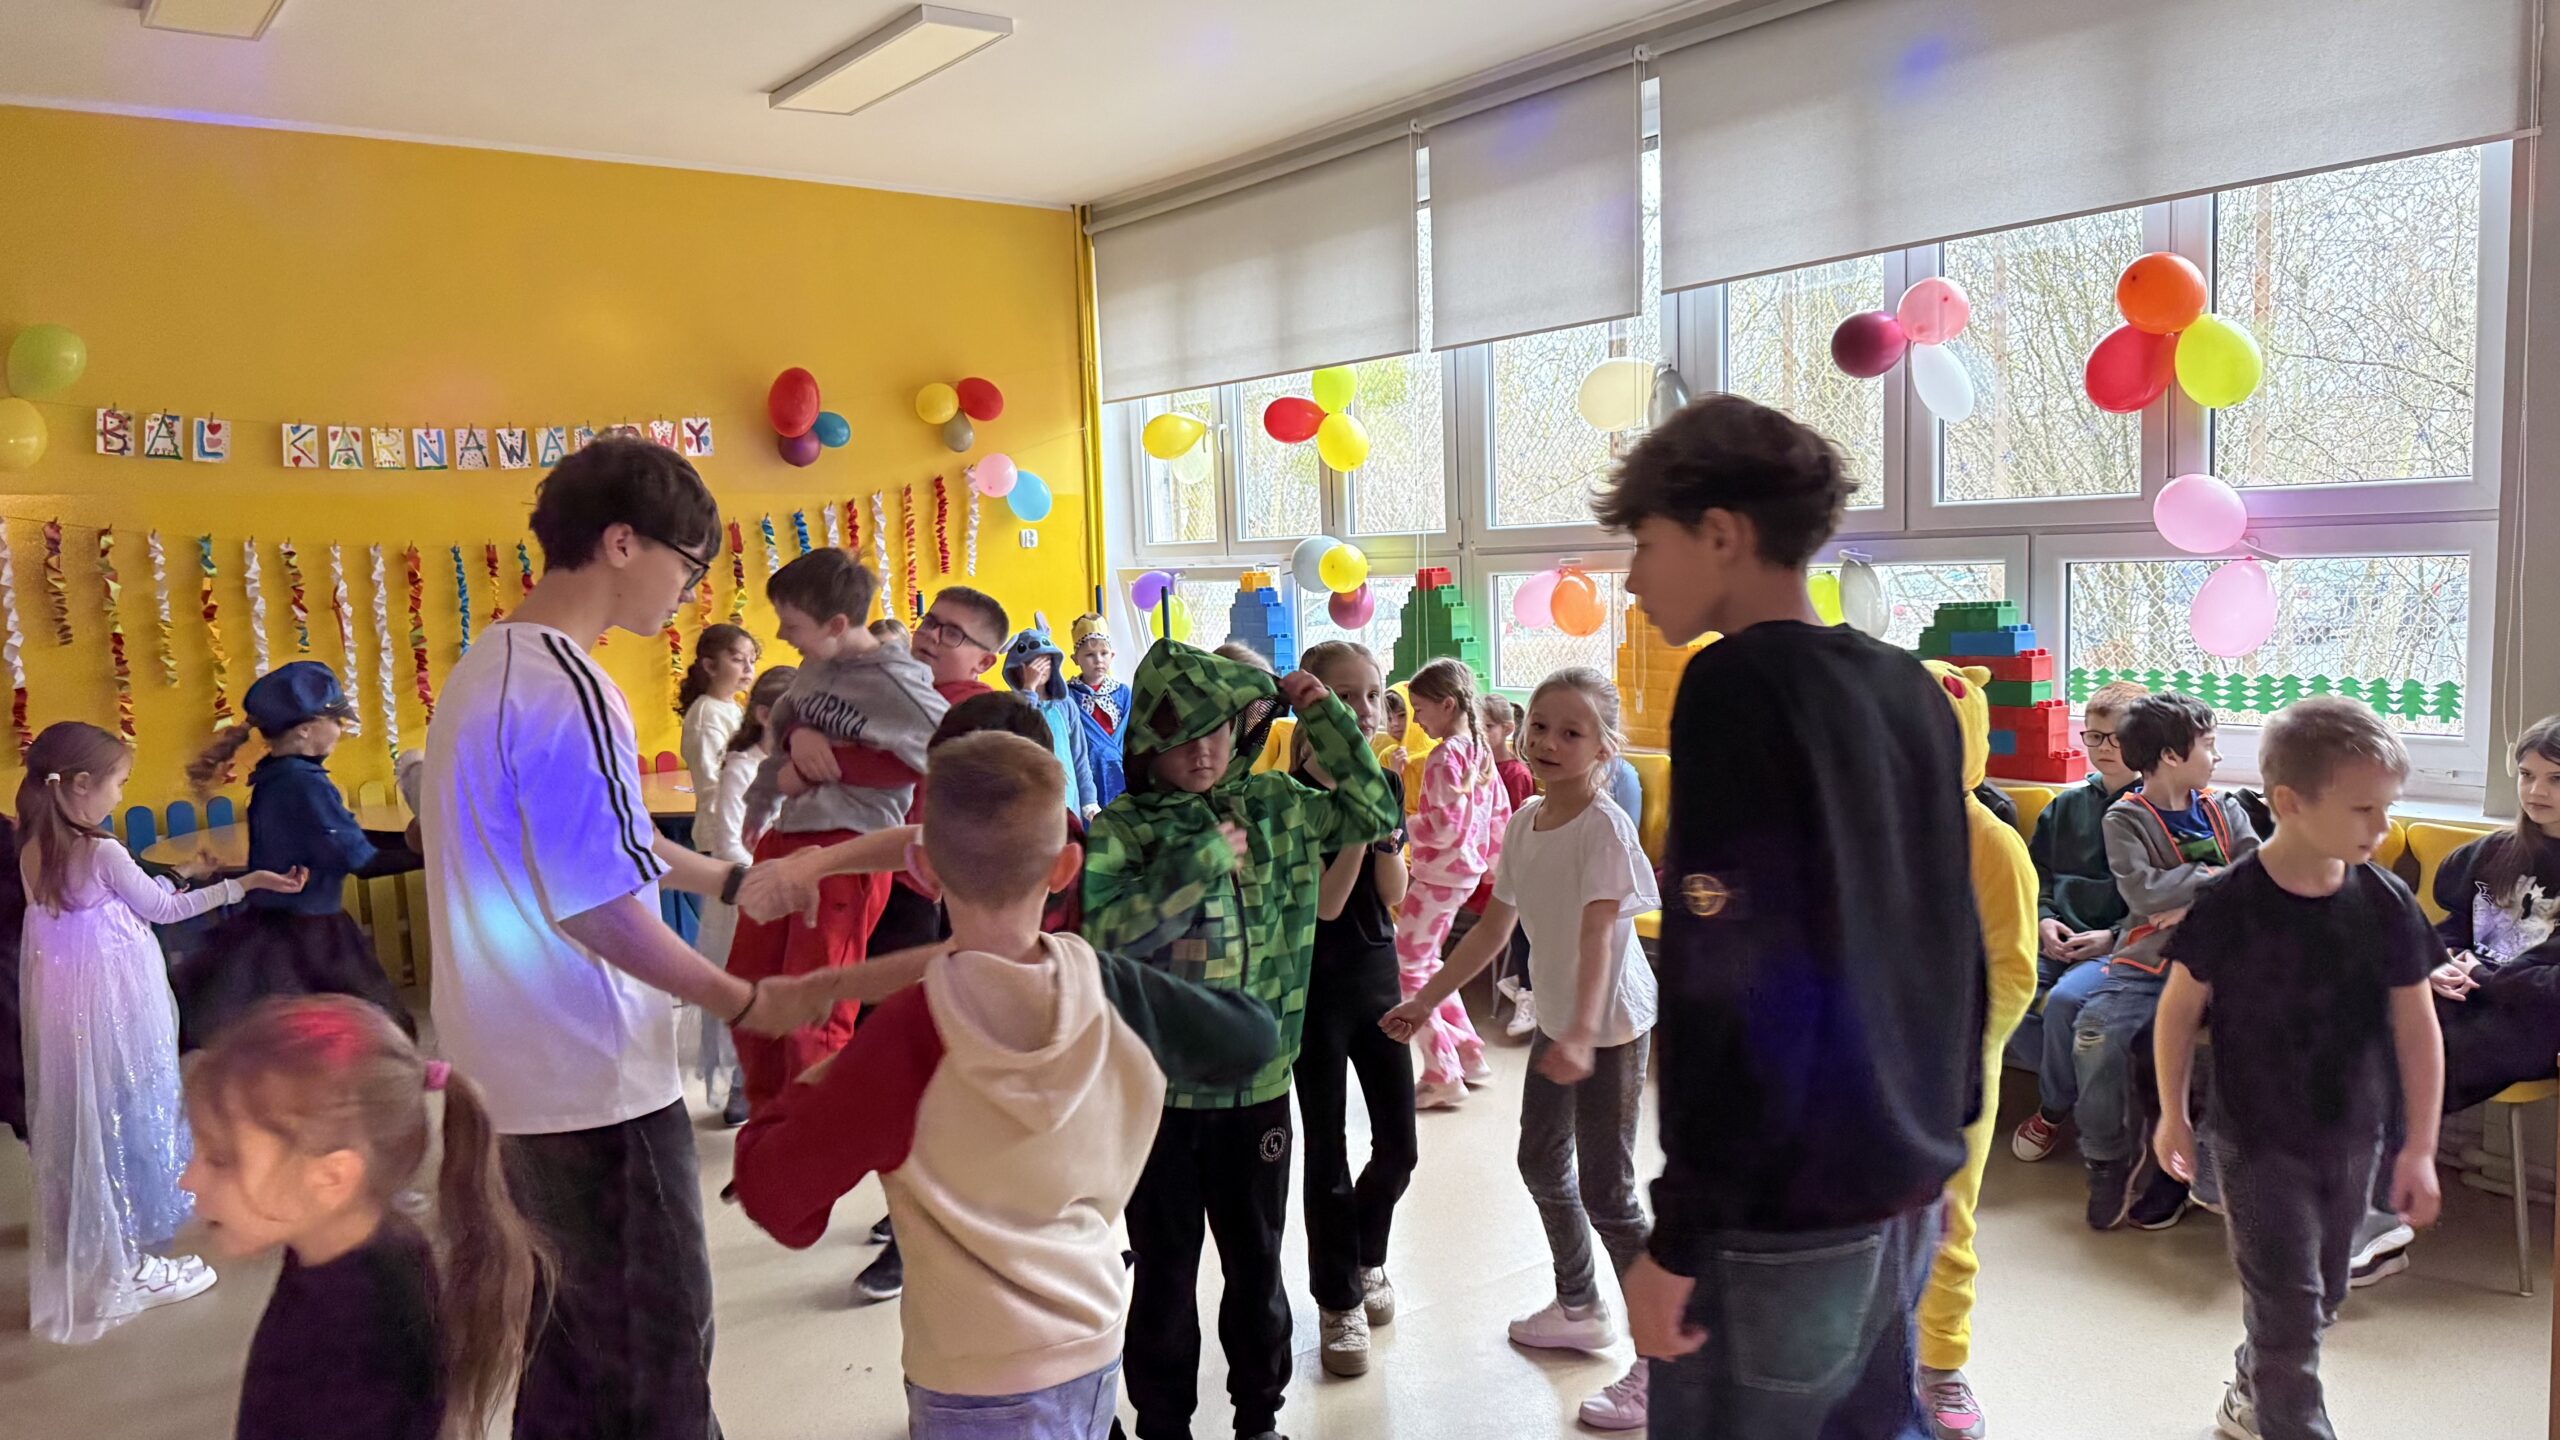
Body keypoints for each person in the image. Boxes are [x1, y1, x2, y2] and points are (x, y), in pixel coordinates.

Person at [1594, 394, 1984, 1439]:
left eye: (1646, 544)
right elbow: (1952, 941)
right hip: (1902, 1182)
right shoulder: (1909, 687)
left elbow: (1731, 979)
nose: (1633, 580)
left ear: (1721, 534)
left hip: (1781, 1204)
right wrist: (1941, 1139)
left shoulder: (1733, 686)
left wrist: (1679, 1233)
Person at [420, 438, 814, 1440]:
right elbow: (593, 904)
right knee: (655, 1361)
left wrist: (732, 879)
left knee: (569, 1358)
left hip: (509, 1071)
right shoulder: (570, 683)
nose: (689, 591)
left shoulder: (490, 666)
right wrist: (742, 999)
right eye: (688, 564)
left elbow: (616, 842)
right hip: (588, 1080)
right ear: (622, 542)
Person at [735, 732, 1280, 1440]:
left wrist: (806, 1085)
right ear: (1064, 868)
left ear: (923, 871)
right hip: (1092, 1337)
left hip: (973, 1374)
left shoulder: (908, 1034)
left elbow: (776, 1194)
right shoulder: (1112, 987)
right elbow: (1251, 1038)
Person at [1082, 640, 1399, 1440]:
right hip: (1158, 1096)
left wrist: (1321, 710)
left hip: (1256, 1092)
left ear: (1245, 728)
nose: (1203, 750)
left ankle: (1259, 1418)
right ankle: (1163, 1425)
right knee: (1165, 1272)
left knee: (1257, 1267)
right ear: (1148, 740)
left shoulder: (1278, 805)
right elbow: (1100, 937)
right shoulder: (1123, 827)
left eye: (1218, 729)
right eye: (1183, 734)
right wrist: (1193, 864)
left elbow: (1374, 809)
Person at [2151, 698, 2443, 1440]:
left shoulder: (2384, 901)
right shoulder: (2230, 902)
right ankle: (2289, 1417)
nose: (2383, 829)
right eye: (2364, 810)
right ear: (2290, 803)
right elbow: (2178, 1011)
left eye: (2387, 808)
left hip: (2352, 1135)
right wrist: (2173, 1113)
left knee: (2323, 1294)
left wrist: (2420, 1147)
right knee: (2289, 1309)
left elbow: (2418, 1027)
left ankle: (2252, 1386)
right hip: (2255, 1141)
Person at [1386, 666, 1661, 1431]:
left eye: (1572, 732)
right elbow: (1494, 931)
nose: (1548, 742)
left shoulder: (1604, 828)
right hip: (1561, 1018)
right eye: (1540, 725)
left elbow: (1601, 938)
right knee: (1541, 1160)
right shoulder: (1525, 820)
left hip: (1607, 1026)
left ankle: (1664, 1359)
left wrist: (1580, 1035)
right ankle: (1579, 1306)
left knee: (1609, 1191)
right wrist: (1426, 999)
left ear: (1603, 749)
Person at [18, 721, 308, 1342]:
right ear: (82, 784)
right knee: (132, 1116)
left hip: (73, 1014)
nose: (121, 794)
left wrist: (178, 876)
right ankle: (132, 1266)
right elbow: (162, 912)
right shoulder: (100, 851)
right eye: (119, 782)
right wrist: (244, 883)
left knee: (95, 1123)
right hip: (119, 1013)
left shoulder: (34, 850)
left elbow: (104, 908)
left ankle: (108, 1253)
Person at [182, 995, 547, 1440]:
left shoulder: (358, 1335)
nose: (189, 1179)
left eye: (221, 1159)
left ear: (331, 1178)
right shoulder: (342, 1256)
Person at [732, 547, 947, 1115]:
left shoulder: (899, 683)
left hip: (846, 849)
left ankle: (811, 1129)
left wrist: (837, 765)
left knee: (814, 1006)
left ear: (836, 624)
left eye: (793, 625)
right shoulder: (816, 663)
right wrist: (797, 740)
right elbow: (786, 720)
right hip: (790, 834)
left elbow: (953, 750)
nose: (783, 635)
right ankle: (769, 1119)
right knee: (748, 989)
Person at [1912, 663, 2040, 1440]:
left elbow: (2014, 970)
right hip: (1862, 1064)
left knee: (1945, 1216)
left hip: (1953, 1072)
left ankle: (1940, 1360)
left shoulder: (1991, 844)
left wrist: (1958, 1053)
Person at [2075, 693, 2256, 1231]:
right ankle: (2107, 1156)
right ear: (2173, 756)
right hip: (2147, 962)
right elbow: (2144, 894)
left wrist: (2190, 899)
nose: (2216, 757)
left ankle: (2200, 1159)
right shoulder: (2125, 818)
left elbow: (2255, 876)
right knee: (2095, 1035)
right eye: (2209, 745)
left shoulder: (2226, 809)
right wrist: (2212, 881)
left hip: (2223, 967)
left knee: (2247, 1040)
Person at [1285, 640, 1415, 1382]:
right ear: (1312, 704)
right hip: (1315, 988)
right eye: (1345, 695)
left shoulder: (1385, 782)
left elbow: (1392, 893)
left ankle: (1368, 1255)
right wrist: (1361, 826)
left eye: (1372, 694)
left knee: (1400, 1145)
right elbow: (1328, 904)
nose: (1364, 710)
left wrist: (1380, 821)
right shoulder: (1290, 795)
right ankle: (1337, 1298)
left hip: (1377, 977)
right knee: (1327, 1150)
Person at [172, 662, 413, 1047]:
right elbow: (362, 860)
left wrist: (411, 841)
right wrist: (433, 851)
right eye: (336, 721)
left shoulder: (276, 777)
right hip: (310, 935)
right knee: (375, 1033)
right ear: (305, 730)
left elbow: (346, 838)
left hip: (276, 925)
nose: (341, 730)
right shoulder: (305, 785)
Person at [2010, 679, 2149, 1160]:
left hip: (2117, 946)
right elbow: (2037, 875)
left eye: (2118, 737)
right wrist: (2044, 918)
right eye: (2094, 736)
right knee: (2002, 990)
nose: (2104, 747)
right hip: (2056, 936)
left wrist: (2112, 937)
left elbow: (2164, 901)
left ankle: (2052, 1108)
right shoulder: (2066, 806)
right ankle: (2079, 1089)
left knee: (2067, 1002)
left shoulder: (2158, 812)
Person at [1395, 657, 1511, 1109]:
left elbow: (1443, 827)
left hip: (1440, 875)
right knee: (1425, 963)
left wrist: (1401, 826)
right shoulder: (1479, 749)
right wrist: (1493, 868)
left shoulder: (1446, 755)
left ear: (1447, 705)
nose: (1416, 720)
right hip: (1462, 874)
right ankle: (1467, 1051)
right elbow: (1500, 815)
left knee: (1408, 969)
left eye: (1420, 710)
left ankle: (1442, 1071)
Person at [2430, 715, 2560, 1112]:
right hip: (2465, 992)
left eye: (2556, 778)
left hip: (2530, 1018)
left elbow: (2552, 988)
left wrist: (2484, 978)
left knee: (2423, 1061)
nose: (2536, 791)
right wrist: (2435, 961)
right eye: (2526, 775)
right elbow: (2456, 926)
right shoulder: (2491, 852)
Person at [694, 665, 798, 1127]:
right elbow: (730, 844)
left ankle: (777, 1076)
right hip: (748, 901)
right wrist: (774, 875)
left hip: (789, 897)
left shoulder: (800, 765)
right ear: (764, 716)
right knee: (743, 989)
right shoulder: (742, 767)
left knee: (782, 989)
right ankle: (740, 1080)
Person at [1474, 693, 1540, 1036]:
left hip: (1511, 868)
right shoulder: (1479, 768)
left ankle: (1528, 989)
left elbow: (1519, 831)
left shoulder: (1516, 773)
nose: (1481, 734)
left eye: (1487, 727)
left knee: (1518, 912)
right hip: (1483, 862)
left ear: (1508, 729)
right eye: (1477, 727)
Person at [1004, 615, 1104, 815]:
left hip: (1068, 802)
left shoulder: (1065, 705)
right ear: (1017, 668)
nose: (1039, 668)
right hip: (1031, 805)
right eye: (1031, 663)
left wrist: (1089, 802)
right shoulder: (1011, 705)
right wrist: (1028, 689)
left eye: (1044, 661)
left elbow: (1079, 757)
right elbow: (1020, 735)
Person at [677, 622, 759, 832]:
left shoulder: (732, 708)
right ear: (711, 666)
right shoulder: (706, 715)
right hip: (721, 830)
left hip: (740, 821)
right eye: (738, 660)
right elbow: (712, 784)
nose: (749, 668)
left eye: (752, 660)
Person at [1068, 613, 1131, 803]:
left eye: (1104, 653)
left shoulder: (1122, 693)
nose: (1098, 660)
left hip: (1120, 771)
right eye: (1089, 655)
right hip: (1085, 772)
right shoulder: (1069, 695)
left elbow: (1131, 732)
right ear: (1075, 659)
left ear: (1112, 655)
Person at [909, 585, 1009, 705]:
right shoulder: (900, 678)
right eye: (929, 622)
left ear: (984, 662)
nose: (931, 634)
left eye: (952, 634)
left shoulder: (980, 709)